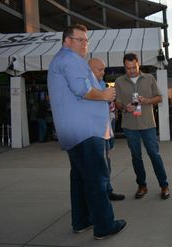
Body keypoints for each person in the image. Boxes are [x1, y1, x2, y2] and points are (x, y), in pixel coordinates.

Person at [47, 24, 126, 240]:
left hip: (76, 133)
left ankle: (82, 221)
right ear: (67, 40)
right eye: (79, 39)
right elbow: (81, 90)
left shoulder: (62, 60)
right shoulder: (71, 60)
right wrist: (105, 94)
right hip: (86, 132)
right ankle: (104, 226)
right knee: (97, 181)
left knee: (80, 180)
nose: (84, 44)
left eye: (86, 40)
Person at [114, 53, 170, 200]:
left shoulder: (149, 78)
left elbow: (159, 98)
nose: (131, 71)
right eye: (128, 68)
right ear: (124, 67)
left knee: (154, 155)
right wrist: (125, 107)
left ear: (139, 64)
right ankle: (142, 185)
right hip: (129, 125)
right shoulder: (119, 81)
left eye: (134, 67)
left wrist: (146, 100)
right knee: (136, 157)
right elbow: (117, 103)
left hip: (148, 124)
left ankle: (164, 185)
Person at [88, 57, 125, 201]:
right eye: (100, 69)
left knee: (107, 162)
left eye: (104, 69)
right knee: (100, 165)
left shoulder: (101, 83)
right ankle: (102, 194)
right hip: (94, 131)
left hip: (106, 128)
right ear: (90, 69)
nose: (103, 72)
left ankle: (108, 190)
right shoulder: (87, 85)